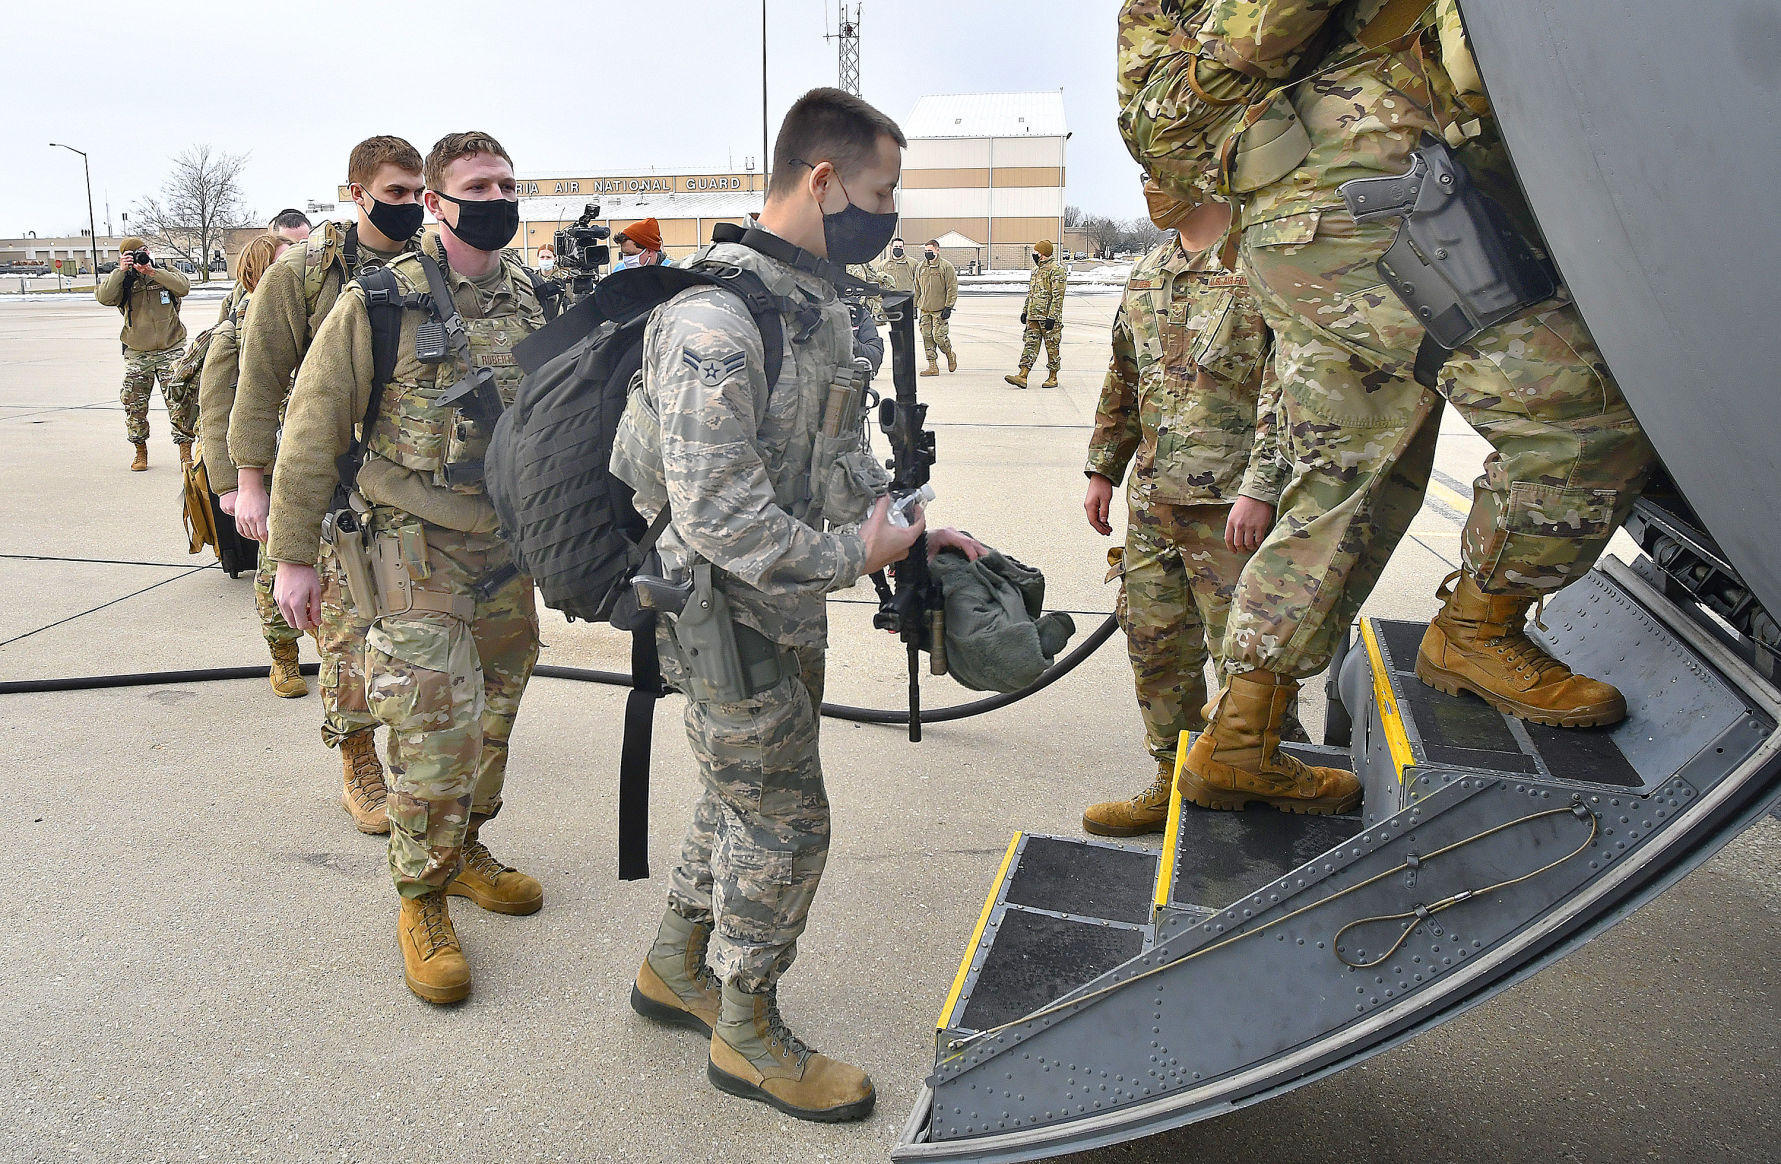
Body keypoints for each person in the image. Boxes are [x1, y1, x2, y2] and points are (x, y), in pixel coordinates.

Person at [1152, 2, 1655, 812]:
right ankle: (1475, 631)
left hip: (1310, 214)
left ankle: (1240, 737)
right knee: (1580, 422)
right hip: (1375, 205)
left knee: (1338, 478)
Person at [612, 86, 984, 1122]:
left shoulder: (809, 304)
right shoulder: (712, 323)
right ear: (822, 181)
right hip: (724, 615)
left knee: (740, 796)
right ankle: (746, 1033)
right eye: (880, 190)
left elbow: (834, 451)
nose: (888, 211)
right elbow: (722, 518)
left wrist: (907, 523)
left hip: (780, 604)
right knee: (785, 823)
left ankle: (674, 966)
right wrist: (854, 556)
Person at [269, 131, 549, 1006]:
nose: (498, 195)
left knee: (497, 706)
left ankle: (465, 850)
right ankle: (420, 897)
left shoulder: (530, 297)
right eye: (478, 184)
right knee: (432, 728)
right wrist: (289, 560)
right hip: (409, 544)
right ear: (434, 201)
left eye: (508, 181)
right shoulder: (378, 301)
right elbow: (312, 432)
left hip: (505, 547)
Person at [1079, 187, 1294, 835]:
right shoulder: (1148, 272)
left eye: (1160, 170)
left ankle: (1263, 771)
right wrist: (1102, 467)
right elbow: (1123, 375)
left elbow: (1292, 388)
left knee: (1247, 652)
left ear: (1207, 171)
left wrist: (1262, 486)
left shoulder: (1262, 264)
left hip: (1232, 507)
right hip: (1151, 504)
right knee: (1154, 646)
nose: (1149, 187)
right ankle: (1174, 779)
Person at [229, 135, 426, 836]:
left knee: (414, 626)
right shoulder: (302, 274)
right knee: (345, 631)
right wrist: (249, 483)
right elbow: (258, 385)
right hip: (332, 483)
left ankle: (418, 749)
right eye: (394, 193)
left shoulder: (431, 267)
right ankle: (358, 757)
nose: (408, 205)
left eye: (416, 192)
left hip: (408, 485)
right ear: (357, 193)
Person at [198, 233, 307, 699]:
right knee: (273, 565)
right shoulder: (235, 333)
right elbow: (216, 412)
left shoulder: (313, 320)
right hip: (265, 469)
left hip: (311, 461)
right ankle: (283, 654)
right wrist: (232, 486)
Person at [95, 237, 192, 471]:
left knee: (180, 400)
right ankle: (140, 450)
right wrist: (121, 271)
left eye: (144, 251)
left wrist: (152, 272)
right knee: (134, 403)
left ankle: (185, 450)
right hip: (138, 353)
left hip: (171, 348)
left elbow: (184, 287)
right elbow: (104, 297)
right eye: (134, 254)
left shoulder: (163, 272)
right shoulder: (124, 281)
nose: (142, 255)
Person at [1004, 238, 1065, 388]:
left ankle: (1053, 376)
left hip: (1048, 317)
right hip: (1033, 316)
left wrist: (1053, 316)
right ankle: (1023, 375)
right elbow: (1031, 293)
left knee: (1052, 347)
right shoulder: (1036, 271)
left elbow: (1058, 296)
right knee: (1030, 344)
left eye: (1036, 252)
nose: (1034, 254)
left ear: (1043, 254)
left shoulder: (1056, 270)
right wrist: (1025, 311)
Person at [913, 239, 958, 376]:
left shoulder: (946, 267)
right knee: (927, 336)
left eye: (930, 251)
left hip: (940, 310)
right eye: (926, 251)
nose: (928, 253)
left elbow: (952, 287)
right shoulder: (921, 267)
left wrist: (949, 307)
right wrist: (914, 306)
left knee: (938, 337)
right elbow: (917, 288)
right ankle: (932, 366)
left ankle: (949, 354)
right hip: (925, 309)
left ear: (937, 250)